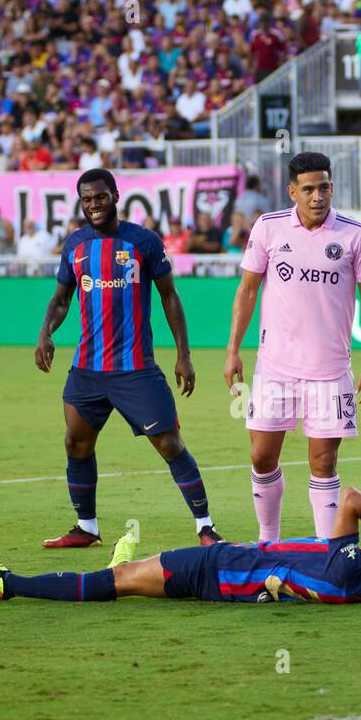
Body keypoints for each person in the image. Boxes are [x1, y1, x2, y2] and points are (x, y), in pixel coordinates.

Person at [36, 168, 221, 548]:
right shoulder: (75, 245)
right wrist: (45, 333)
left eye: (100, 197)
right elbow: (61, 299)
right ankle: (86, 527)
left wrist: (183, 355)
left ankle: (206, 527)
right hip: (88, 368)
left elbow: (170, 296)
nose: (94, 206)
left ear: (115, 196)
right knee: (76, 443)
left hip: (136, 369)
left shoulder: (143, 241)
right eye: (87, 200)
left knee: (169, 444)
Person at [224, 152, 361, 542]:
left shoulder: (353, 235)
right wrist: (232, 350)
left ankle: (327, 550)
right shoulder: (268, 227)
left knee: (323, 462)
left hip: (330, 370)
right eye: (309, 189)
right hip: (275, 367)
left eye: (324, 187)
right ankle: (268, 540)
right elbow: (247, 290)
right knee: (261, 457)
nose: (317, 196)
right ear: (292, 191)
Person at [0, 487, 361, 605]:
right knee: (128, 577)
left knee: (114, 584)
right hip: (229, 568)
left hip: (216, 569)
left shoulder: (347, 567)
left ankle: (7, 585)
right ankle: (126, 560)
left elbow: (357, 499)